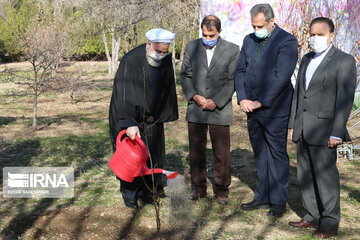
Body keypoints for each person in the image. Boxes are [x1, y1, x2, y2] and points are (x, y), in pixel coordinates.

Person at [288, 17, 356, 238]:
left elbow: (344, 100)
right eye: (312, 34)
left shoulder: (344, 61)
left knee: (325, 178)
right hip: (304, 128)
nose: (314, 38)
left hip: (326, 130)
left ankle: (329, 221)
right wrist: (293, 126)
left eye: (320, 34)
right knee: (305, 174)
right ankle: (311, 215)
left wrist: (337, 132)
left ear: (331, 36)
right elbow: (299, 95)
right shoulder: (306, 59)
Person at [234, 3, 298, 217]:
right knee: (260, 152)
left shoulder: (287, 41)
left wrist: (259, 102)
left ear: (272, 21)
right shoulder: (248, 40)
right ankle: (262, 196)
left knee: (277, 153)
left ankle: (278, 200)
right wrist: (242, 98)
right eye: (254, 26)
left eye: (260, 25)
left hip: (275, 109)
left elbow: (282, 76)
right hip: (250, 108)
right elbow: (240, 70)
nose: (256, 30)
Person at [109, 28, 178, 209]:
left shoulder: (164, 60)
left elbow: (167, 88)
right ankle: (130, 193)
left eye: (165, 51)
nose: (161, 55)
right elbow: (124, 93)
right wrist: (129, 123)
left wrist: (161, 114)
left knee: (152, 154)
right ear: (149, 45)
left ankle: (148, 190)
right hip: (129, 116)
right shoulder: (131, 60)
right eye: (158, 51)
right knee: (131, 157)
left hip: (152, 118)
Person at [180, 15, 240, 205]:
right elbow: (185, 75)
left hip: (219, 109)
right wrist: (195, 96)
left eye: (211, 35)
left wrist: (217, 101)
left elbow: (233, 80)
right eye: (205, 34)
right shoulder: (192, 47)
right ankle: (198, 188)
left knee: (221, 152)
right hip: (196, 108)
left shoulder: (232, 49)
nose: (208, 38)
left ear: (219, 32)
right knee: (196, 150)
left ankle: (222, 190)